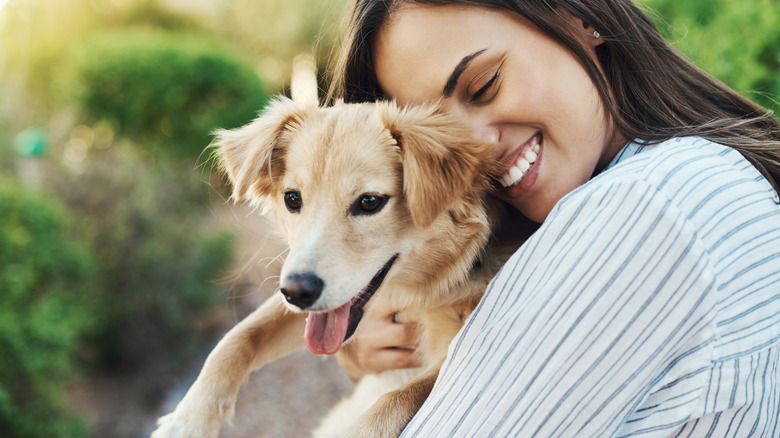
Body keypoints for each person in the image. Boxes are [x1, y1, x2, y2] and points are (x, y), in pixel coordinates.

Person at [329, 0, 780, 436]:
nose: (474, 156)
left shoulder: (648, 206)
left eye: (485, 86)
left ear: (582, 17)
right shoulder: (706, 174)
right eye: (435, 146)